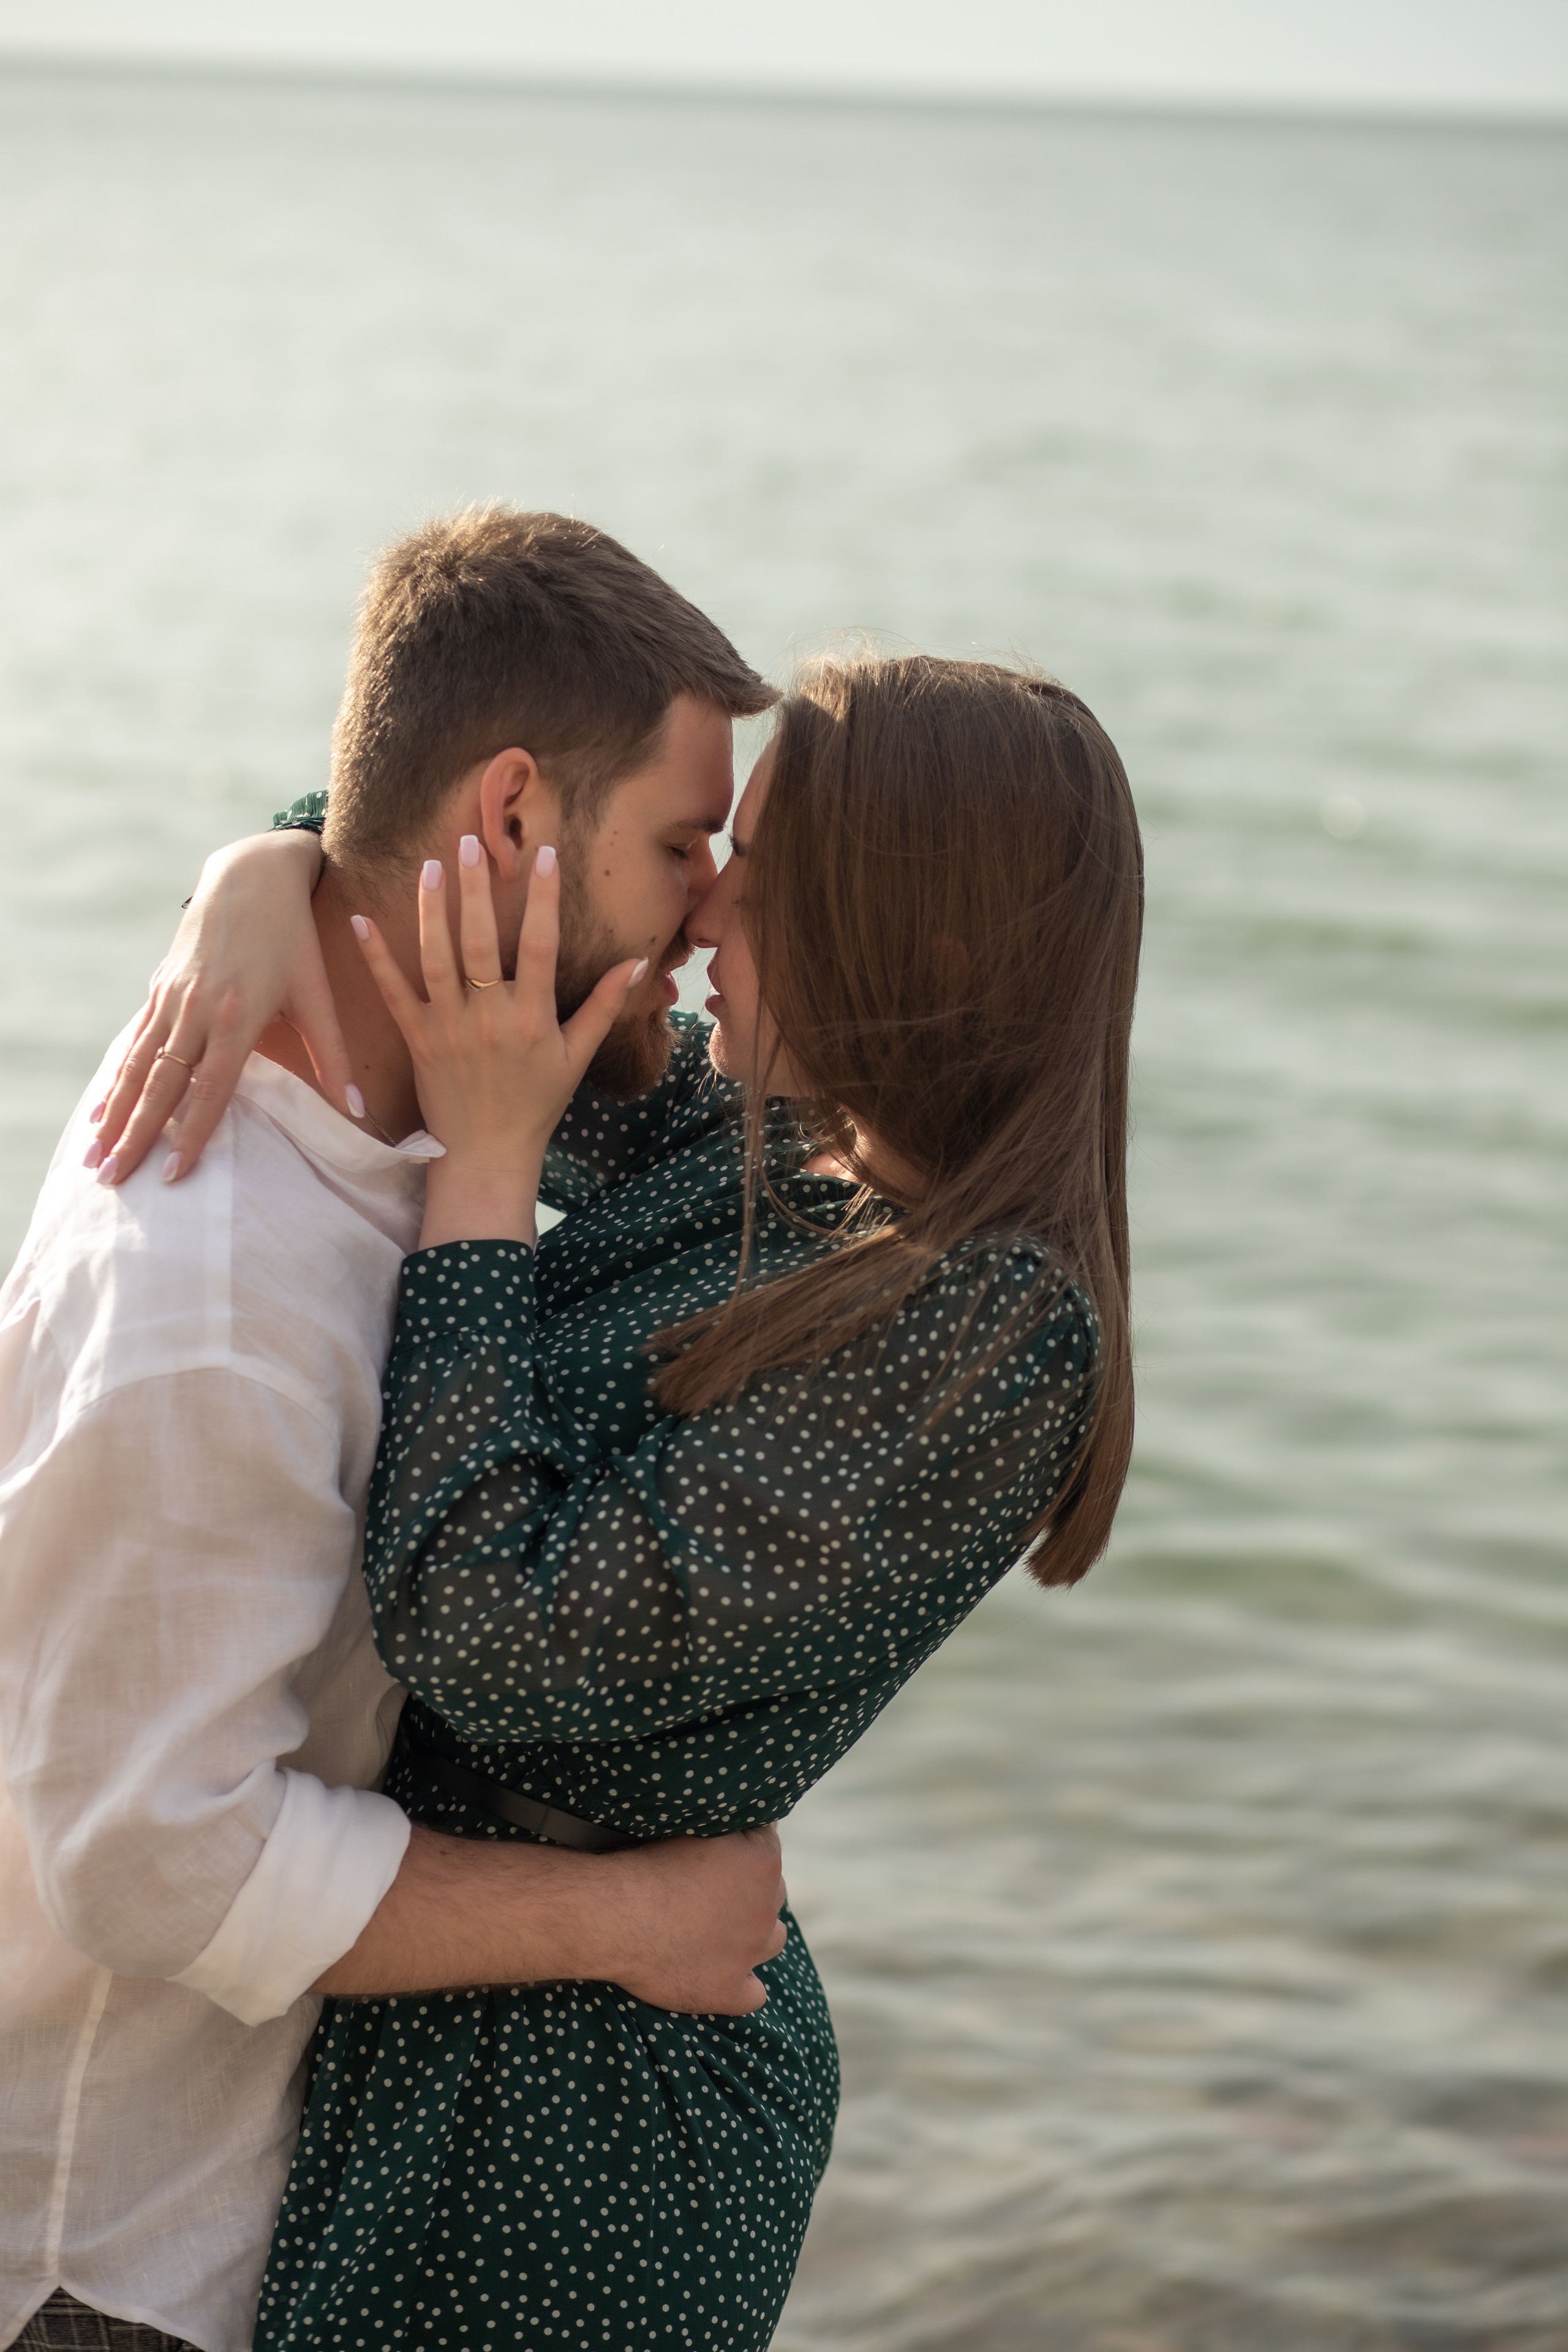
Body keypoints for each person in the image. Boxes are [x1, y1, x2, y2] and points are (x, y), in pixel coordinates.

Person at [108, 626, 1143, 2350]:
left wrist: (491, 1180)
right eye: (711, 855)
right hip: (429, 1983)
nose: (704, 916)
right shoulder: (779, 1152)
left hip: (593, 2118)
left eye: (764, 873)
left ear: (924, 939)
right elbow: (445, 935)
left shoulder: (995, 1329)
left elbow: (495, 1638)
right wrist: (260, 872)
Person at [0, 511, 793, 2352]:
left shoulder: (355, 1069)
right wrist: (631, 1924)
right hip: (97, 2255)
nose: (706, 911)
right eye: (684, 847)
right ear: (513, 818)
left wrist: (261, 860)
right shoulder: (207, 1317)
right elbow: (151, 1862)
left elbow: (359, 834)